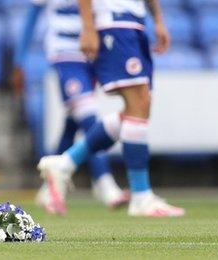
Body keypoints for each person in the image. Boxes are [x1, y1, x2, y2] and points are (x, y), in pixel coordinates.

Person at [38, 0, 185, 217]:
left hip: (134, 19)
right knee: (137, 103)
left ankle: (64, 164)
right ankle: (141, 196)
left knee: (140, 106)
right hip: (114, 21)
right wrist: (88, 27)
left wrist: (158, 20)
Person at [12, 0, 130, 215]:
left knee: (73, 122)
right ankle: (105, 184)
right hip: (65, 54)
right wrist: (19, 62)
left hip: (92, 54)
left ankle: (49, 187)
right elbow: (31, 19)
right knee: (88, 117)